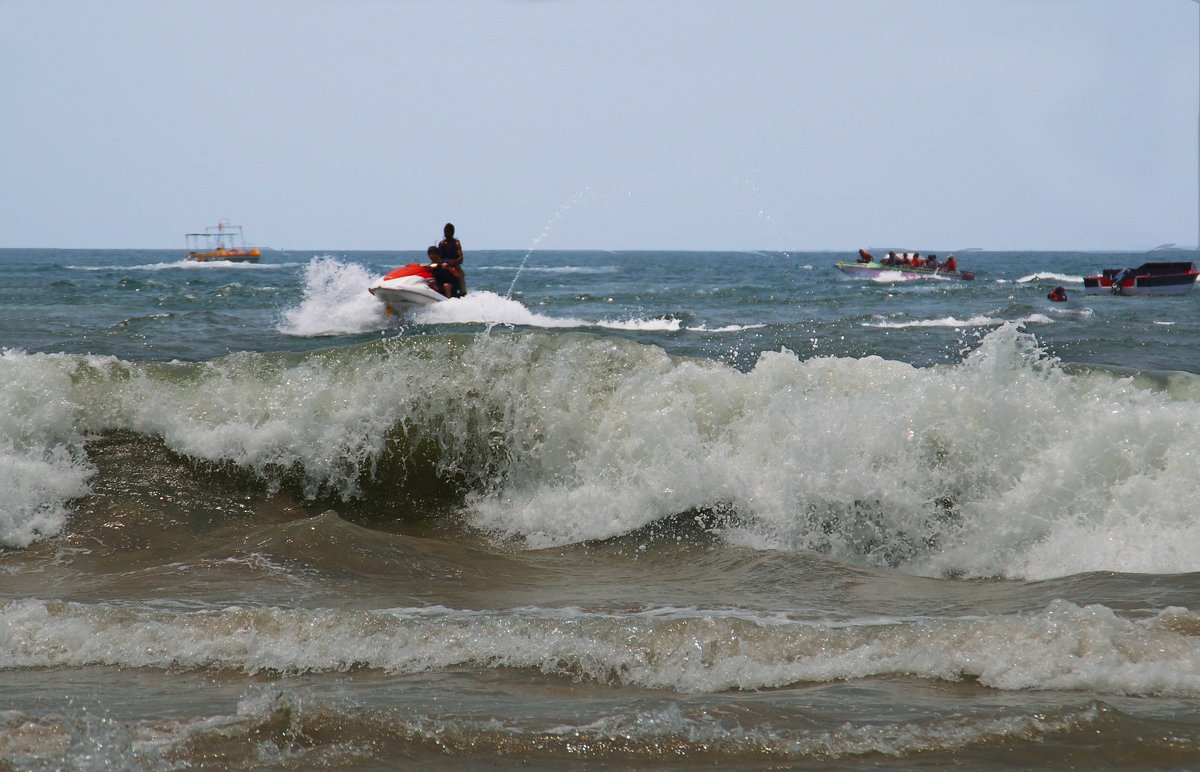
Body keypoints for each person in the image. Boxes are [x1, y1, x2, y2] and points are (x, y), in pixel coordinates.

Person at [437, 222, 466, 297]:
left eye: (449, 232)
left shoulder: (456, 243)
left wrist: (452, 263)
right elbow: (439, 257)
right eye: (445, 232)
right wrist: (443, 263)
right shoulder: (441, 243)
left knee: (461, 275)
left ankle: (463, 293)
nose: (446, 234)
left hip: (454, 266)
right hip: (443, 265)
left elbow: (461, 258)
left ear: (452, 233)